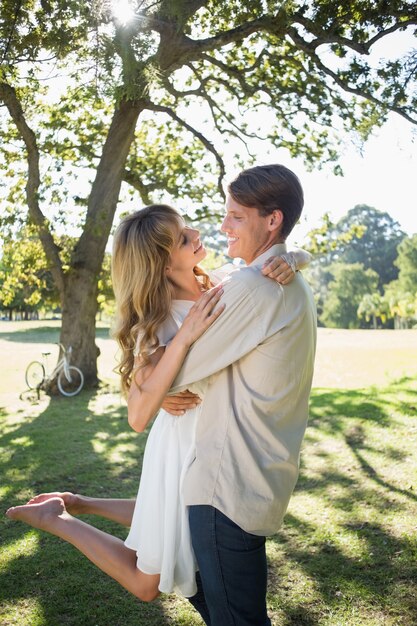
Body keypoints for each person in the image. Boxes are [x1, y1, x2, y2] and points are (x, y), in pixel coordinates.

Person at [5, 201, 310, 607]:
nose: (198, 235)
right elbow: (137, 412)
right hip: (182, 440)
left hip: (213, 438)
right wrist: (182, 341)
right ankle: (59, 519)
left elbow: (258, 273)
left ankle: (79, 502)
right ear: (163, 264)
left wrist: (292, 258)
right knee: (148, 579)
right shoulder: (159, 320)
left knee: (173, 521)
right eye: (183, 239)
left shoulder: (218, 282)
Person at [162, 163, 317, 625]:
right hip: (255, 479)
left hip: (225, 486)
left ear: (273, 221)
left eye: (236, 216)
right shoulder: (286, 281)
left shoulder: (254, 286)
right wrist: (297, 256)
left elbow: (174, 375)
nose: (223, 226)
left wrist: (149, 384)